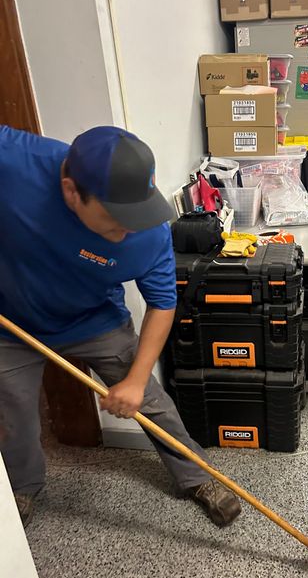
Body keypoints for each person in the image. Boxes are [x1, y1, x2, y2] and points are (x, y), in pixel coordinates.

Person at [0, 124, 241, 527]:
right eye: (115, 221)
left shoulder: (148, 233)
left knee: (149, 399)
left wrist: (134, 379)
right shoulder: (15, 163)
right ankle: (22, 490)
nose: (128, 230)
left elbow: (163, 304)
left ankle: (198, 476)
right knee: (14, 413)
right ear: (71, 191)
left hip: (95, 320)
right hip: (14, 324)